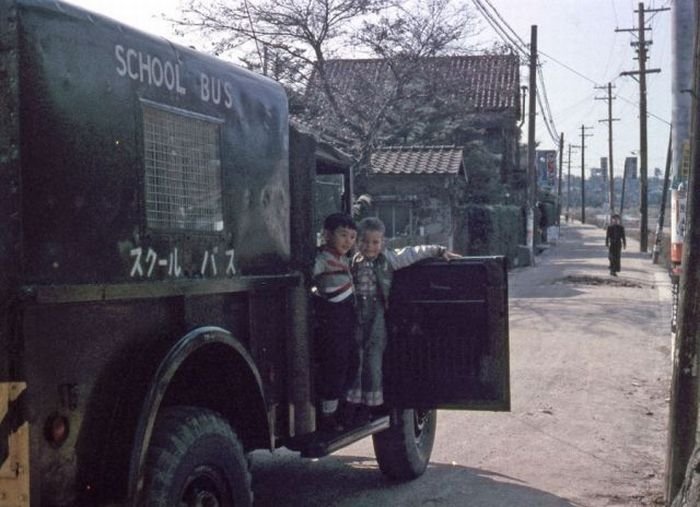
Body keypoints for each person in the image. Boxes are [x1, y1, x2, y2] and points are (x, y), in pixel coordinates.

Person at [345, 217, 460, 424]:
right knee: (355, 359)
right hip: (354, 315)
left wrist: (439, 250)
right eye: (364, 241)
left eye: (375, 242)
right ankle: (352, 405)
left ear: (383, 243)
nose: (369, 247)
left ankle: (371, 406)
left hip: (377, 315)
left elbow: (412, 253)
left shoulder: (388, 260)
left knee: (373, 360)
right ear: (356, 241)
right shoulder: (351, 261)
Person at [311, 213, 358, 432]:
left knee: (351, 364)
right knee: (335, 367)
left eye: (352, 236)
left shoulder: (346, 260)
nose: (347, 241)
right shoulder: (322, 259)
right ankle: (327, 415)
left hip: (347, 321)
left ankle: (342, 410)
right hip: (332, 321)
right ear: (327, 235)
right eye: (342, 235)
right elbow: (308, 274)